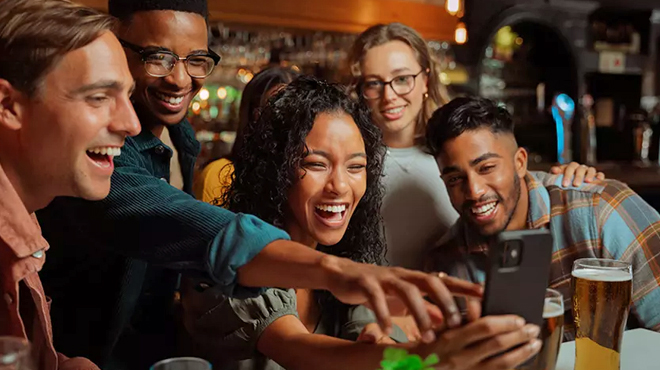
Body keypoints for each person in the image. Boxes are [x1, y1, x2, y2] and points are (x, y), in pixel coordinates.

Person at [35, 2, 472, 369]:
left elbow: (370, 341)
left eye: (196, 60)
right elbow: (185, 228)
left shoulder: (181, 137)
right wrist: (427, 353)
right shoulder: (102, 158)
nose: (180, 79)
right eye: (158, 57)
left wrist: (393, 341)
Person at [182, 76, 542, 370]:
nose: (340, 186)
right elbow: (299, 348)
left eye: (356, 167)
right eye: (317, 164)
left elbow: (372, 352)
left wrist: (389, 346)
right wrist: (430, 359)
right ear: (276, 171)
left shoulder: (349, 262)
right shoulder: (235, 260)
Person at [347, 23, 604, 270]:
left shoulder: (457, 149)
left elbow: (518, 189)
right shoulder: (349, 166)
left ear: (425, 79)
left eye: (402, 78)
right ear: (360, 89)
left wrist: (573, 177)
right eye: (374, 83)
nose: (389, 95)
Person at [425, 96, 660, 339]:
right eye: (455, 179)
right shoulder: (446, 264)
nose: (474, 191)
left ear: (519, 163)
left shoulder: (601, 211)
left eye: (486, 168)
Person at [0, 0, 140, 369]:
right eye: (98, 97)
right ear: (7, 105)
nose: (132, 124)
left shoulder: (24, 219)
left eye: (128, 95)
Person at [193, 66, 300, 204]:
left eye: (297, 109)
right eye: (277, 108)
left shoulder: (308, 177)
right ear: (254, 115)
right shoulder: (221, 176)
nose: (288, 119)